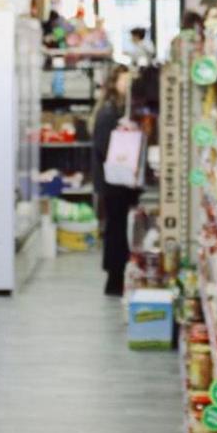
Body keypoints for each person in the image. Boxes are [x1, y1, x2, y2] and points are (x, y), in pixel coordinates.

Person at [92, 65, 140, 296]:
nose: (128, 86)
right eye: (125, 81)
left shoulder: (119, 108)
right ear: (114, 83)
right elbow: (103, 146)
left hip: (117, 179)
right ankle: (113, 278)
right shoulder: (109, 111)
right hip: (112, 181)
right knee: (115, 227)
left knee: (118, 226)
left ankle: (117, 276)